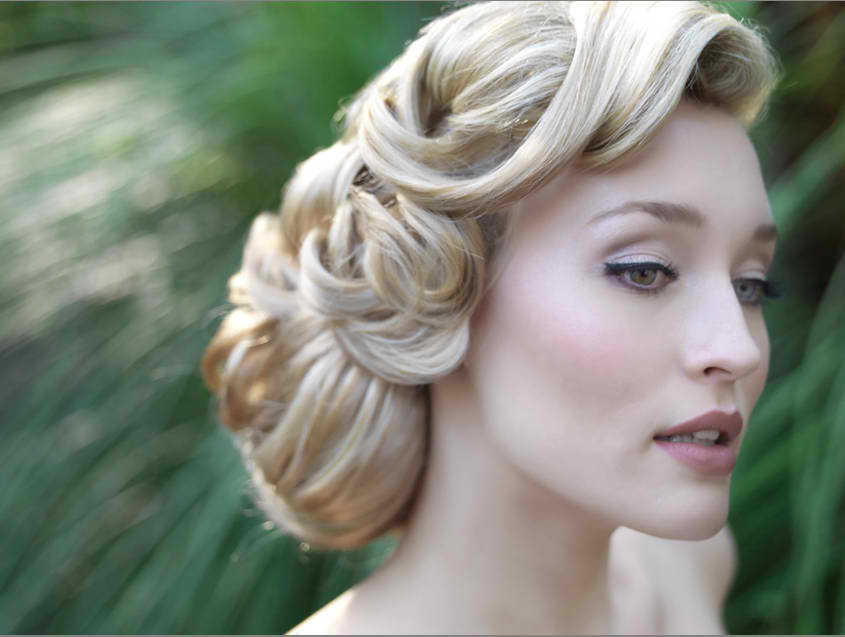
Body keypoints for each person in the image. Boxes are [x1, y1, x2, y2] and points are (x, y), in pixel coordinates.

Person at [200, 1, 780, 633]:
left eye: (751, 286)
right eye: (644, 270)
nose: (740, 349)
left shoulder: (684, 570)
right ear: (435, 285)